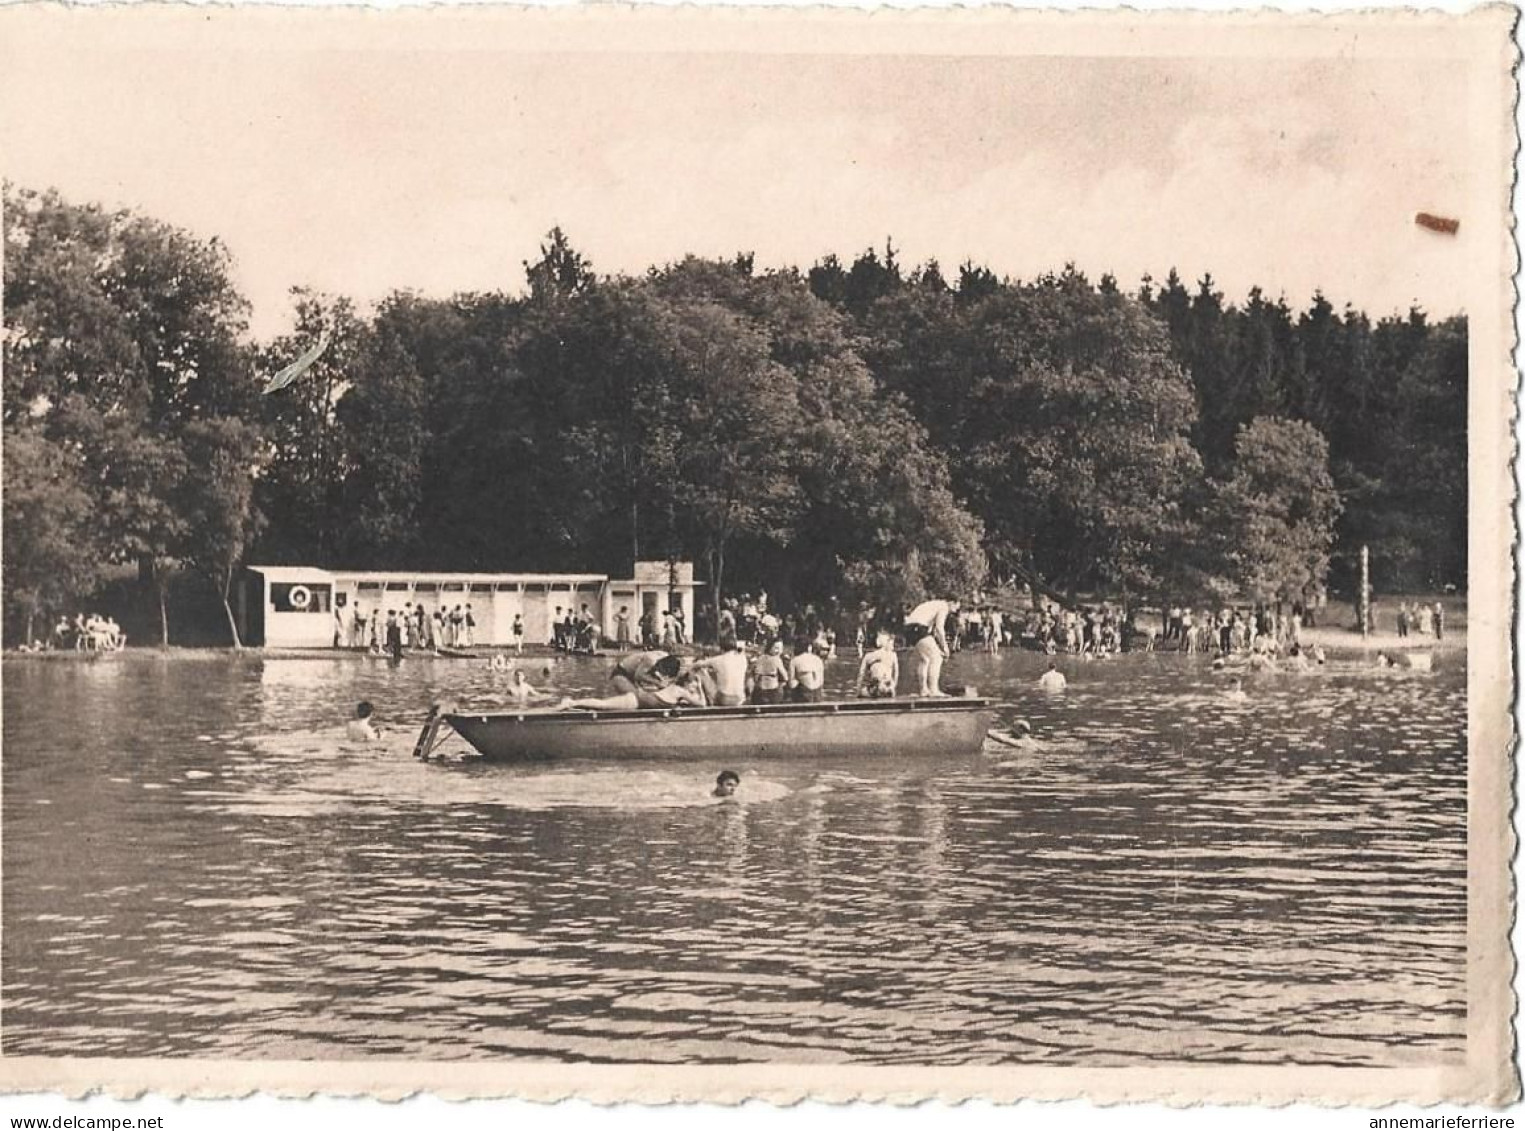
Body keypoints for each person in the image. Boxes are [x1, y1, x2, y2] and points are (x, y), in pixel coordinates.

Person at [561, 650, 701, 711]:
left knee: (610, 704)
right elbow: (638, 677)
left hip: (637, 692)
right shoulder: (651, 659)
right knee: (614, 704)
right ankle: (572, 702)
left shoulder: (668, 661)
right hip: (621, 675)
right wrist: (659, 684)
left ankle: (574, 703)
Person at [903, 598, 958, 697]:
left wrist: (939, 645)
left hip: (909, 628)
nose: (956, 610)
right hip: (918, 628)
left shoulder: (933, 604)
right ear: (952, 602)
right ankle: (934, 690)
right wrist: (945, 647)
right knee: (937, 658)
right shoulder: (943, 606)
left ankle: (923, 690)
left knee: (925, 660)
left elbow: (934, 632)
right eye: (957, 606)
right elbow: (939, 628)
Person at [688, 635, 749, 706]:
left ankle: (694, 693)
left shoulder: (718, 659)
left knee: (701, 671)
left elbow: (696, 664)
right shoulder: (743, 658)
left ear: (721, 649)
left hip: (724, 699)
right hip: (740, 698)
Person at [856, 633, 900, 698]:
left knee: (863, 692)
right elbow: (896, 674)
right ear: (887, 643)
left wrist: (858, 692)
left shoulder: (868, 656)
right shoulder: (893, 655)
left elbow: (861, 675)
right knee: (888, 686)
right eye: (892, 644)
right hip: (887, 687)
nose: (893, 646)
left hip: (875, 688)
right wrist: (893, 687)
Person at [748, 640, 790, 704]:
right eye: (776, 648)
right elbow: (786, 677)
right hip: (773, 692)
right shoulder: (776, 659)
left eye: (781, 648)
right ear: (770, 648)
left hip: (759, 692)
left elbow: (755, 678)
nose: (779, 651)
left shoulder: (760, 658)